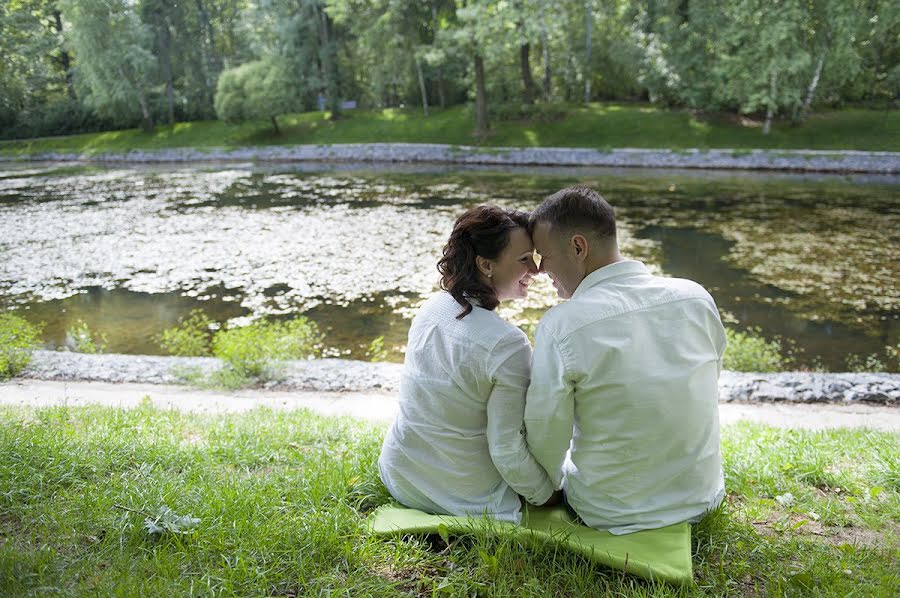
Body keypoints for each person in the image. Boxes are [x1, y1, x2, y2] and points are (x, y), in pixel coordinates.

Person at [524, 186, 726, 535]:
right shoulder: (696, 297)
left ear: (577, 247)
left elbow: (546, 439)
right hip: (702, 498)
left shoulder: (563, 325)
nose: (540, 271)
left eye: (544, 256)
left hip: (613, 511)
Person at [379, 205, 559, 523]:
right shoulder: (507, 344)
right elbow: (506, 448)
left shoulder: (431, 307)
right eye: (523, 259)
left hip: (401, 475)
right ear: (485, 264)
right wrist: (548, 495)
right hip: (462, 496)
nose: (535, 269)